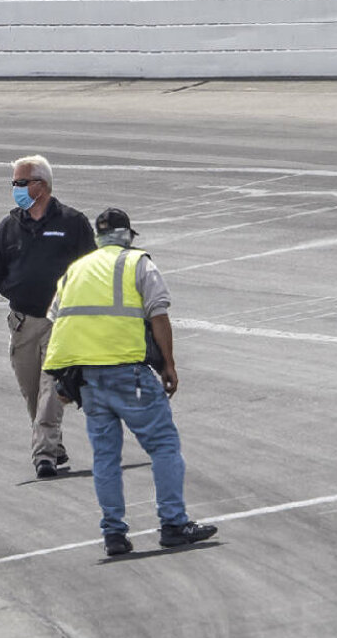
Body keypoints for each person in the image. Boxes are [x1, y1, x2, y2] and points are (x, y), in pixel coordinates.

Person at [43, 208, 217, 556]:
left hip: (89, 381)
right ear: (128, 236)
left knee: (105, 457)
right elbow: (158, 315)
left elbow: (57, 323)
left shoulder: (74, 271)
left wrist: (63, 380)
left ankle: (114, 534)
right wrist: (168, 365)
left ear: (97, 238)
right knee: (164, 445)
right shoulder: (139, 264)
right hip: (129, 374)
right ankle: (173, 523)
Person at [0, 155, 96, 478]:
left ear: (41, 186)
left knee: (50, 390)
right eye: (14, 182)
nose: (15, 188)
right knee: (32, 391)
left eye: (20, 182)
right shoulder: (9, 226)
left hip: (63, 323)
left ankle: (43, 455)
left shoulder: (72, 223)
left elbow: (92, 269)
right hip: (23, 323)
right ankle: (53, 444)